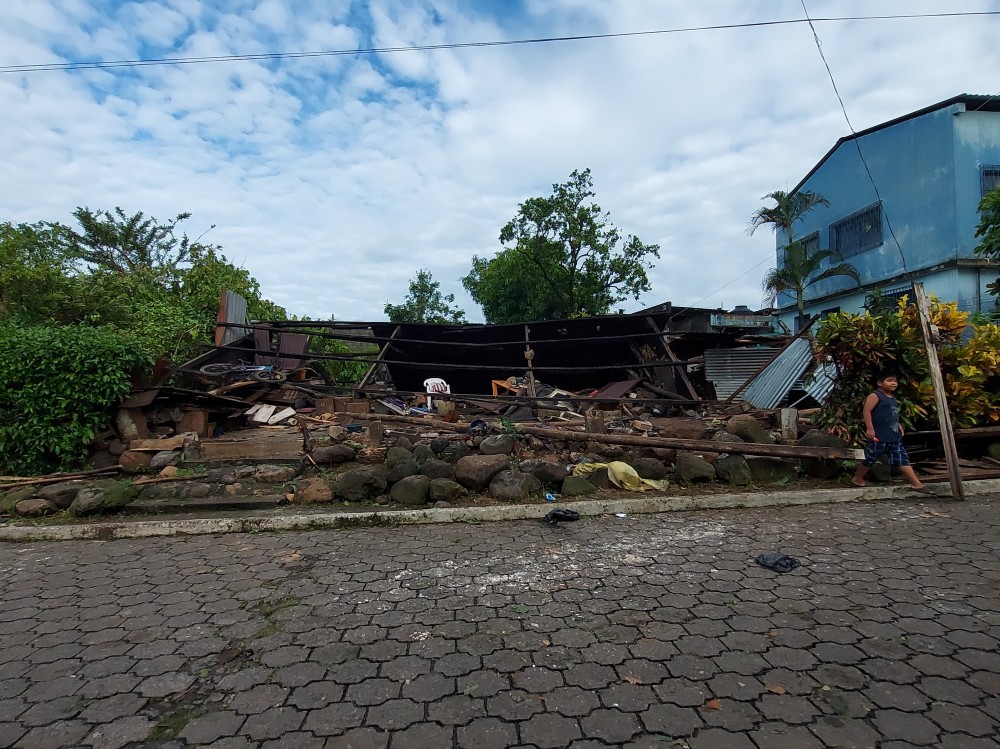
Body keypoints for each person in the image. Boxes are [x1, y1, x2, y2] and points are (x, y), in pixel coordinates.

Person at [851, 372, 927, 490]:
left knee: (901, 458)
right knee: (870, 457)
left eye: (895, 381)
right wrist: (870, 429)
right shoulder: (875, 396)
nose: (893, 383)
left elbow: (892, 413)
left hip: (893, 436)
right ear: (880, 383)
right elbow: (866, 412)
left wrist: (898, 425)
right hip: (879, 435)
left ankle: (917, 484)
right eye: (889, 380)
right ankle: (857, 478)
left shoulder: (893, 398)